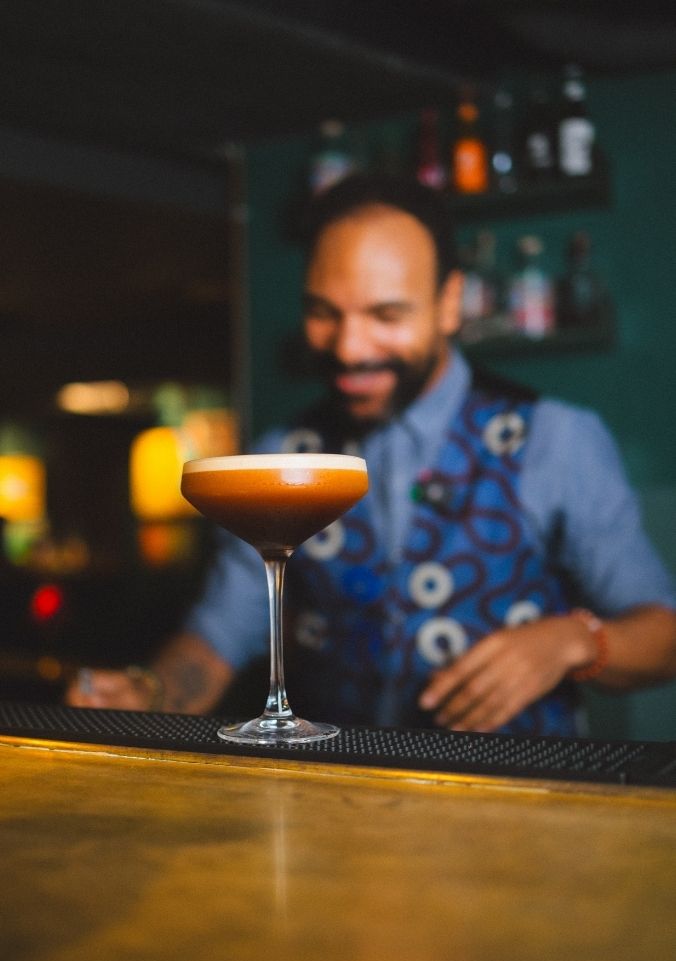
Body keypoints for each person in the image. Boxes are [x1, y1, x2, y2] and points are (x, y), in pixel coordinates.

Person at [67, 173, 676, 735]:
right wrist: (149, 692)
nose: (350, 348)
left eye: (386, 314)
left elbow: (665, 636)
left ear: (449, 303)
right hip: (337, 796)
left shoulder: (555, 439)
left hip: (515, 796)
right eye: (323, 313)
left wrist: (571, 640)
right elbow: (217, 638)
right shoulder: (281, 455)